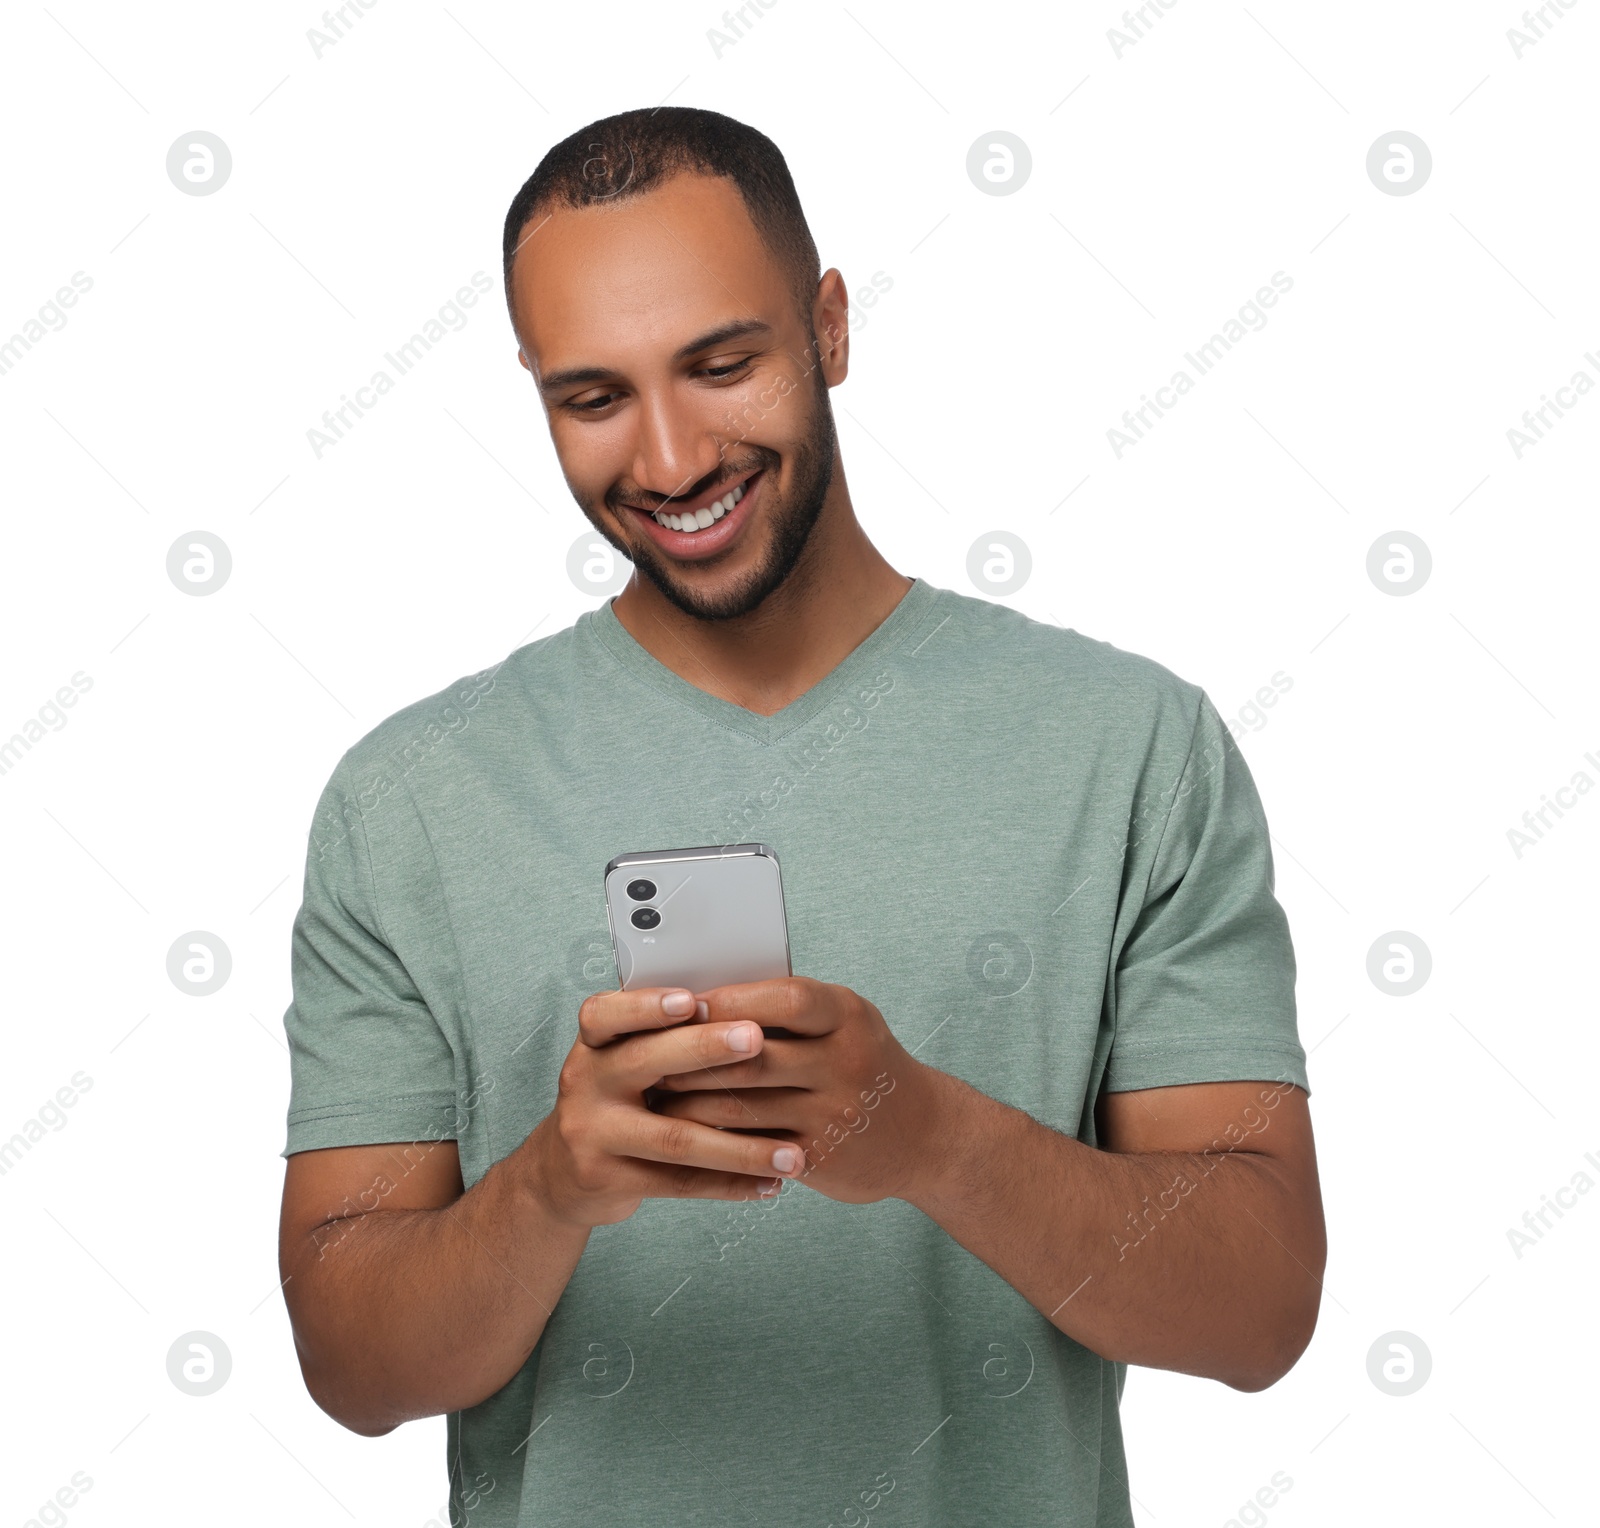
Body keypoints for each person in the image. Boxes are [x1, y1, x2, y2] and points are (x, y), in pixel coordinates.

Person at [277, 106, 1326, 1527]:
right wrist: (549, 1191)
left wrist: (931, 1139)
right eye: (592, 398)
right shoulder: (409, 799)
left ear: (829, 327)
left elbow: (1259, 1309)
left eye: (722, 365)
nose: (667, 458)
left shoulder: (1130, 748)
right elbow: (353, 1369)